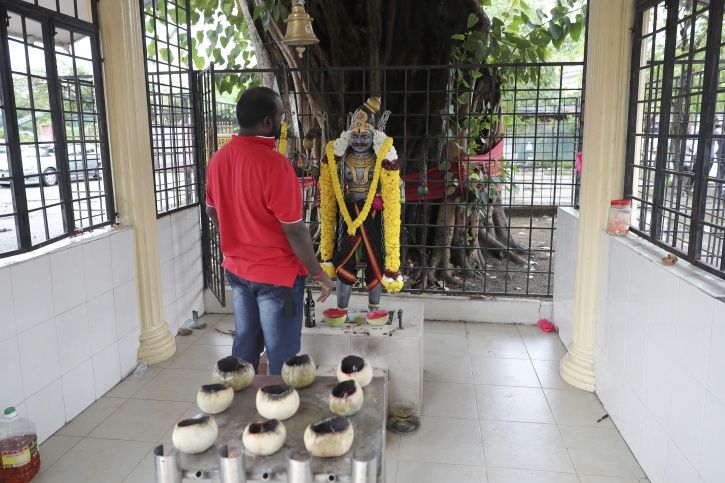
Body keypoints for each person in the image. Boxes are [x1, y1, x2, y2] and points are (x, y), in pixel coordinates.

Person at [205, 86, 334, 375]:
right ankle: (278, 410)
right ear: (266, 122)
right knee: (282, 356)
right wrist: (317, 272)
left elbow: (212, 210)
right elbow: (296, 231)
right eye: (280, 117)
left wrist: (236, 234)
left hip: (237, 270)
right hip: (277, 278)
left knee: (244, 349)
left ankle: (239, 409)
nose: (281, 122)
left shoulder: (218, 160)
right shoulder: (275, 165)